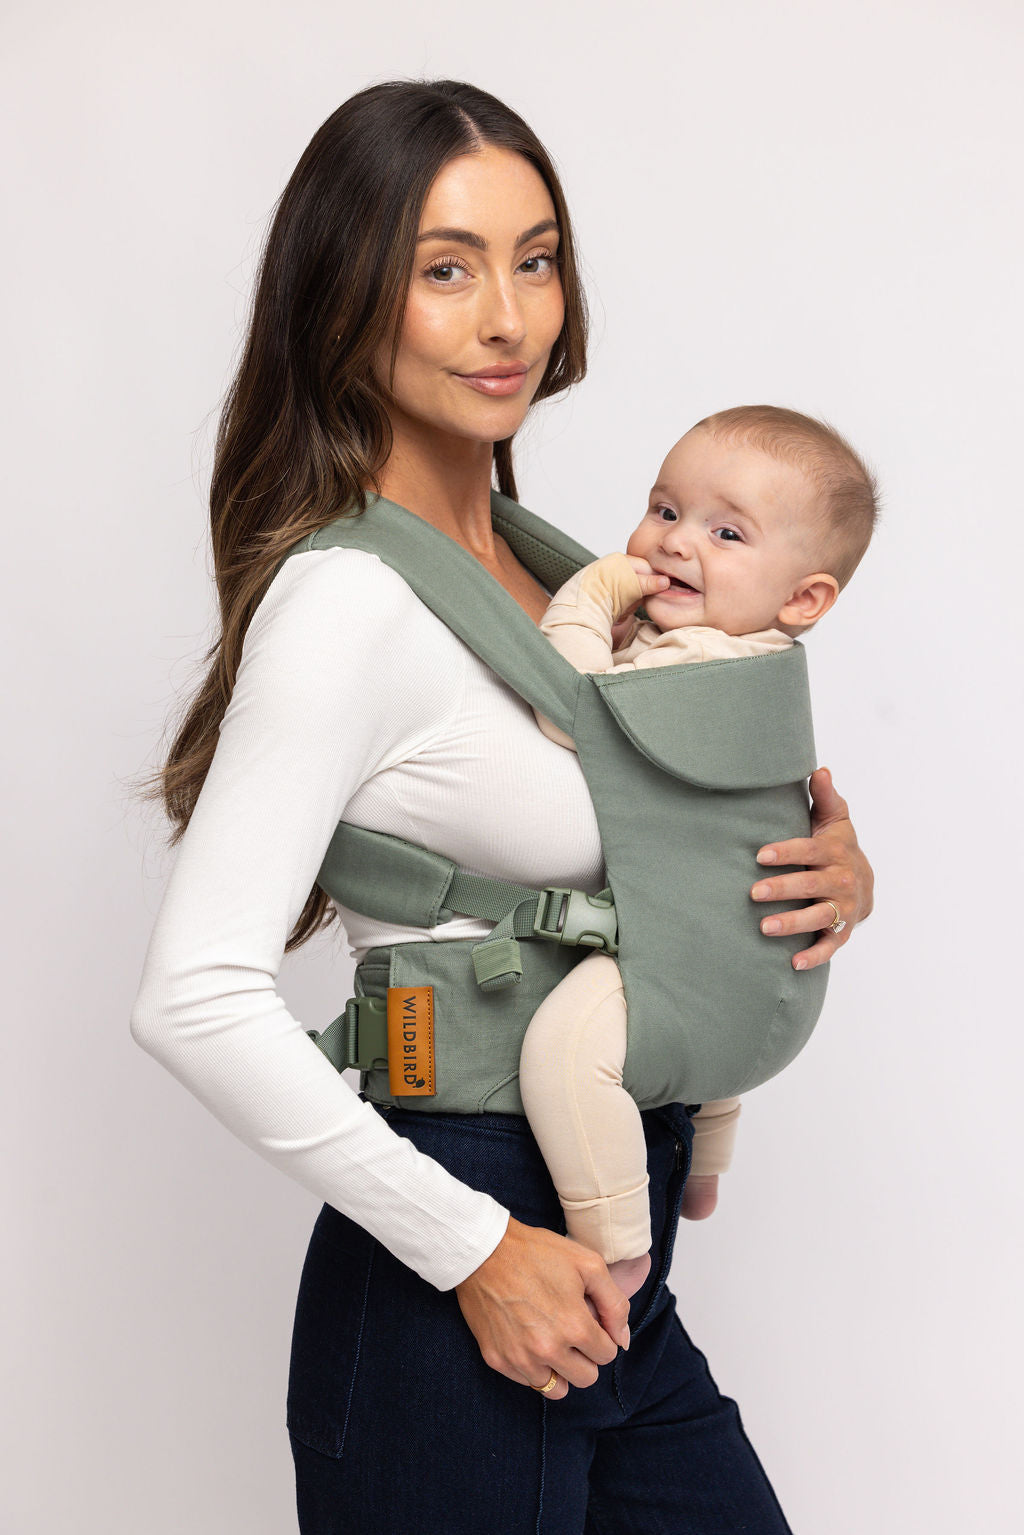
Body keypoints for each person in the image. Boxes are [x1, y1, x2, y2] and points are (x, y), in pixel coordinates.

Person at [129, 79, 875, 1533]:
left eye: (534, 259)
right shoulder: (349, 597)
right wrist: (471, 1247)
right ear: (346, 296)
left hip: (613, 1257)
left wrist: (824, 874)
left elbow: (661, 830)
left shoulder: (564, 571)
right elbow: (191, 995)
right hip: (457, 1272)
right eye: (446, 267)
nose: (509, 317)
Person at [520, 404, 878, 1300]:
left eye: (726, 531)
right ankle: (706, 1161)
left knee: (565, 1051)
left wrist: (595, 595)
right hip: (769, 988)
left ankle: (619, 1241)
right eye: (665, 509)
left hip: (696, 978)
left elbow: (564, 704)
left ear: (804, 600)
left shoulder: (697, 663)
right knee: (701, 956)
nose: (677, 543)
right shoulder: (756, 664)